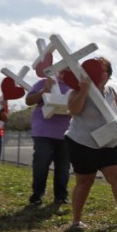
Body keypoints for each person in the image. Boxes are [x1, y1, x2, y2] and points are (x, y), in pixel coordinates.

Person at [64, 56, 117, 229]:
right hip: (83, 142)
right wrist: (84, 90)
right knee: (85, 181)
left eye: (102, 70)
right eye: (94, 69)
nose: (99, 73)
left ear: (108, 74)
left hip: (109, 141)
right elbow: (74, 110)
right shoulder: (77, 89)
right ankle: (76, 221)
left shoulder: (111, 91)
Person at [24, 76, 72, 205]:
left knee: (63, 167)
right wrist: (45, 89)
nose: (66, 70)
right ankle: (37, 194)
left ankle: (61, 196)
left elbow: (80, 109)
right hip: (43, 131)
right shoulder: (44, 82)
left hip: (66, 133)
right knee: (41, 162)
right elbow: (28, 101)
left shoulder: (75, 87)